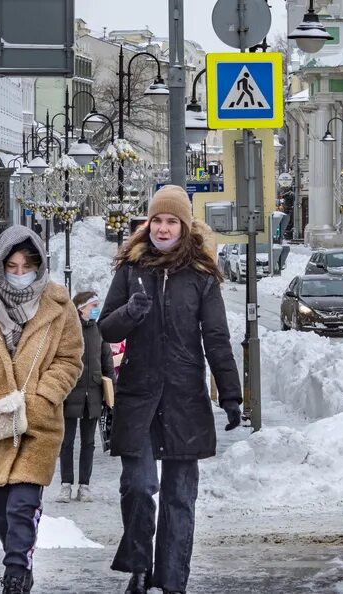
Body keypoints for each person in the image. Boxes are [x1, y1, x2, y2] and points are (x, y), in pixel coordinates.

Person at [99, 185, 242, 594]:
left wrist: (230, 395)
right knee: (139, 486)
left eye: (171, 221)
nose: (162, 228)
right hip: (139, 397)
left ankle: (174, 581)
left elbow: (216, 337)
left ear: (184, 225)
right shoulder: (130, 269)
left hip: (184, 399)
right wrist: (131, 312)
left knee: (180, 498)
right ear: (148, 224)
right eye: (156, 220)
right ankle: (139, 568)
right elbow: (105, 327)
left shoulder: (201, 275)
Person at [0, 226, 84, 594]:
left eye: (27, 266)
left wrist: (44, 395)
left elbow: (70, 358)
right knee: (2, 510)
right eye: (12, 265)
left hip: (37, 422)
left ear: (39, 267)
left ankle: (16, 571)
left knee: (23, 503)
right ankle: (19, 556)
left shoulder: (58, 304)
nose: (19, 274)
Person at [57, 291, 118, 504]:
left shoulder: (99, 331)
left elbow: (107, 362)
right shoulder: (68, 330)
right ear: (81, 308)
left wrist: (112, 393)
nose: (96, 309)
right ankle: (66, 484)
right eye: (93, 305)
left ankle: (84, 485)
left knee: (89, 442)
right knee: (66, 442)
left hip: (93, 394)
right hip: (71, 393)